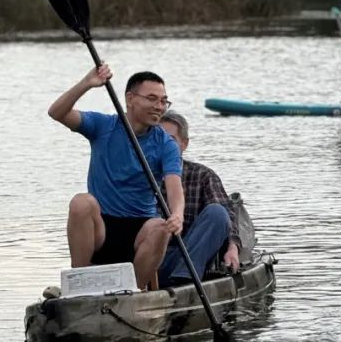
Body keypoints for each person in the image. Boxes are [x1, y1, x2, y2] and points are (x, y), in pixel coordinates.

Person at [48, 66, 184, 289]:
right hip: (101, 227)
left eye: (163, 101)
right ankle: (79, 286)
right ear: (130, 99)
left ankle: (134, 291)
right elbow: (57, 113)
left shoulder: (166, 144)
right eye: (152, 99)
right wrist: (87, 83)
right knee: (81, 203)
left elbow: (174, 187)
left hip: (140, 229)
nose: (159, 107)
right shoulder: (103, 126)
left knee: (162, 226)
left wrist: (177, 214)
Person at [156, 111, 242, 287]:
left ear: (184, 144)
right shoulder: (138, 174)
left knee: (218, 212)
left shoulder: (203, 175)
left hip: (190, 257)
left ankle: (184, 278)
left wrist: (232, 249)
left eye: (170, 140)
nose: (163, 146)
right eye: (158, 139)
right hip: (150, 259)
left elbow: (226, 216)